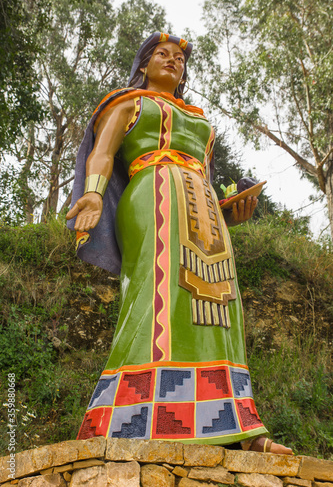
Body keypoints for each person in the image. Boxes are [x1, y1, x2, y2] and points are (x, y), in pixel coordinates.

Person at [67, 32, 292, 454]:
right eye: (162, 55)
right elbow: (102, 153)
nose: (173, 61)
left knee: (220, 306)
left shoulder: (199, 120)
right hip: (152, 195)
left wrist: (230, 210)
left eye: (179, 59)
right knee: (159, 297)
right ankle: (134, 418)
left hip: (203, 210)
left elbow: (204, 177)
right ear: (144, 65)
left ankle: (241, 426)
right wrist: (94, 191)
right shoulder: (128, 103)